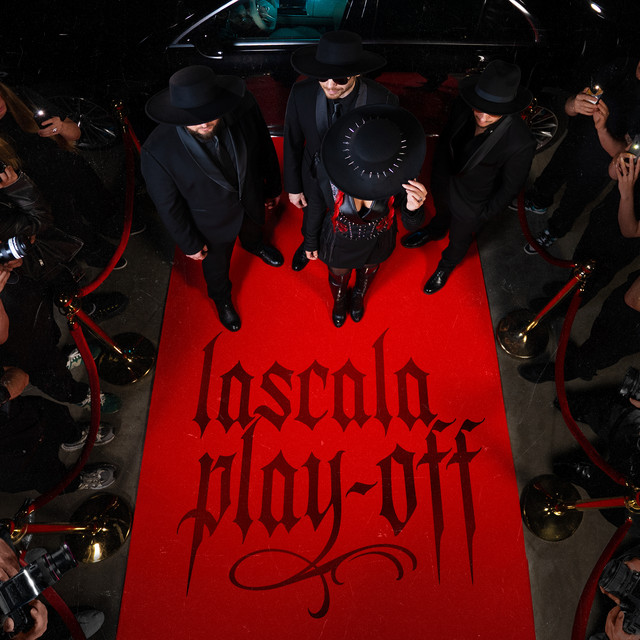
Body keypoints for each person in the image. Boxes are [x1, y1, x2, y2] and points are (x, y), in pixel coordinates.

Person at [141, 65, 284, 332]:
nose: (204, 123)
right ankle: (221, 299)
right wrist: (189, 243)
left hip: (251, 198)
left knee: (253, 229)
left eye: (209, 114)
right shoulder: (157, 151)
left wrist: (273, 187)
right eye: (194, 119)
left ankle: (254, 245)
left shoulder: (243, 106)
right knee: (216, 269)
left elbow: (264, 145)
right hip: (211, 226)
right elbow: (168, 206)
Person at [401, 60, 536, 294]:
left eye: (492, 112)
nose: (482, 117)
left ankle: (446, 265)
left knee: (459, 240)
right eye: (479, 108)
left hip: (473, 203)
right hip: (443, 183)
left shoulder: (521, 141)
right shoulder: (464, 104)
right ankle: (435, 231)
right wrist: (437, 174)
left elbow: (510, 187)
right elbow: (446, 138)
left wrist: (483, 214)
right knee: (441, 214)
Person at [283, 30, 399, 272]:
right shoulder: (301, 93)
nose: (330, 85)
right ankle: (308, 241)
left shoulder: (383, 99)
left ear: (356, 74)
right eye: (322, 77)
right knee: (311, 213)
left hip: (357, 180)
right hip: (313, 173)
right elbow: (292, 141)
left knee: (351, 221)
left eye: (339, 79)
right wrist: (293, 187)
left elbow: (391, 149)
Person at [304, 104, 427, 326]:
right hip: (339, 241)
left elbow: (411, 225)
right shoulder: (327, 164)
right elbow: (316, 203)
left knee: (369, 271)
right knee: (338, 275)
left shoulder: (403, 172)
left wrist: (413, 207)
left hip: (378, 240)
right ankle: (339, 301)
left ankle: (359, 295)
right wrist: (310, 240)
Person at [517, 57, 640, 255]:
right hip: (576, 137)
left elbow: (622, 154)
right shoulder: (621, 64)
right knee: (555, 169)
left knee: (574, 200)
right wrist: (573, 104)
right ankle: (538, 200)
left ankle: (554, 231)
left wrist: (602, 129)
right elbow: (571, 100)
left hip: (599, 162)